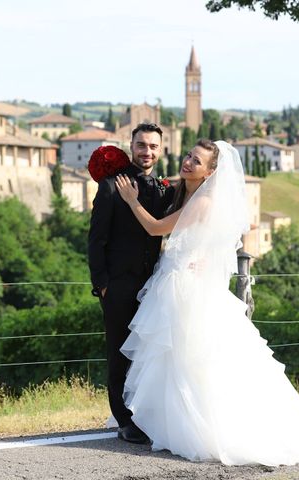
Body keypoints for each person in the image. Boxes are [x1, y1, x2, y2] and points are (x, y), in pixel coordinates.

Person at [114, 139, 299, 466]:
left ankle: (196, 425)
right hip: (181, 279)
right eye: (189, 156)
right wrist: (204, 256)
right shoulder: (193, 194)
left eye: (197, 161)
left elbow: (156, 229)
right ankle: (167, 421)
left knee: (191, 358)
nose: (188, 162)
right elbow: (214, 237)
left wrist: (131, 200)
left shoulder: (205, 202)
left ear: (211, 172)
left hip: (186, 287)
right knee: (177, 357)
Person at [88, 123, 175, 444]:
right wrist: (103, 285)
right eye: (141, 145)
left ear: (160, 149)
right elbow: (96, 240)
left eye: (153, 146)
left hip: (154, 285)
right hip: (118, 286)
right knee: (119, 352)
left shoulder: (163, 187)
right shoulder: (111, 187)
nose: (147, 152)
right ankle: (124, 420)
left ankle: (145, 413)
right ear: (131, 145)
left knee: (148, 352)